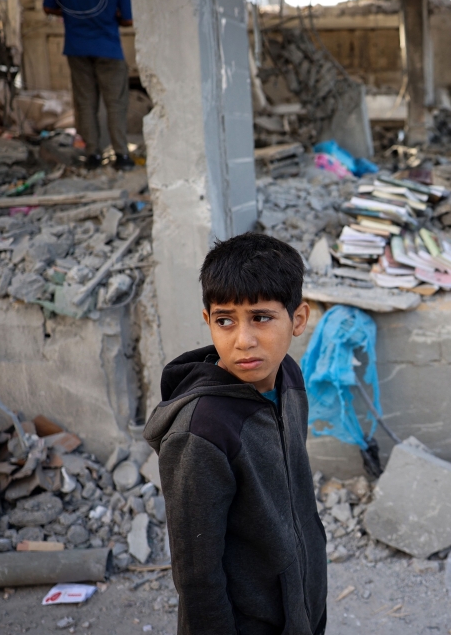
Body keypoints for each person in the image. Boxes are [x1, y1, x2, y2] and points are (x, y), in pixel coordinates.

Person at [144, 233, 327, 634]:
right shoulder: (202, 431)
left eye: (261, 317)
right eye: (226, 320)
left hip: (302, 606)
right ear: (209, 321)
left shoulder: (289, 379)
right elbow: (197, 577)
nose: (243, 340)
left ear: (298, 319)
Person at [43, 0, 135, 171]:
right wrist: (109, 16)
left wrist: (71, 14)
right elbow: (129, 20)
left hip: (77, 48)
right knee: (116, 103)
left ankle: (92, 154)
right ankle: (121, 154)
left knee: (85, 103)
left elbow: (48, 7)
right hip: (108, 48)